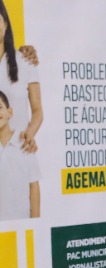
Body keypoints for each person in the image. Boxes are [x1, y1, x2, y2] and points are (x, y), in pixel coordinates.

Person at [0, 0, 42, 154]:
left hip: (19, 151)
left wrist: (29, 134)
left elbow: (37, 110)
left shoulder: (25, 61)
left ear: (5, 23)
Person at [0, 90, 39, 219]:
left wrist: (36, 223)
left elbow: (34, 186)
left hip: (21, 223)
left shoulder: (25, 143)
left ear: (9, 112)